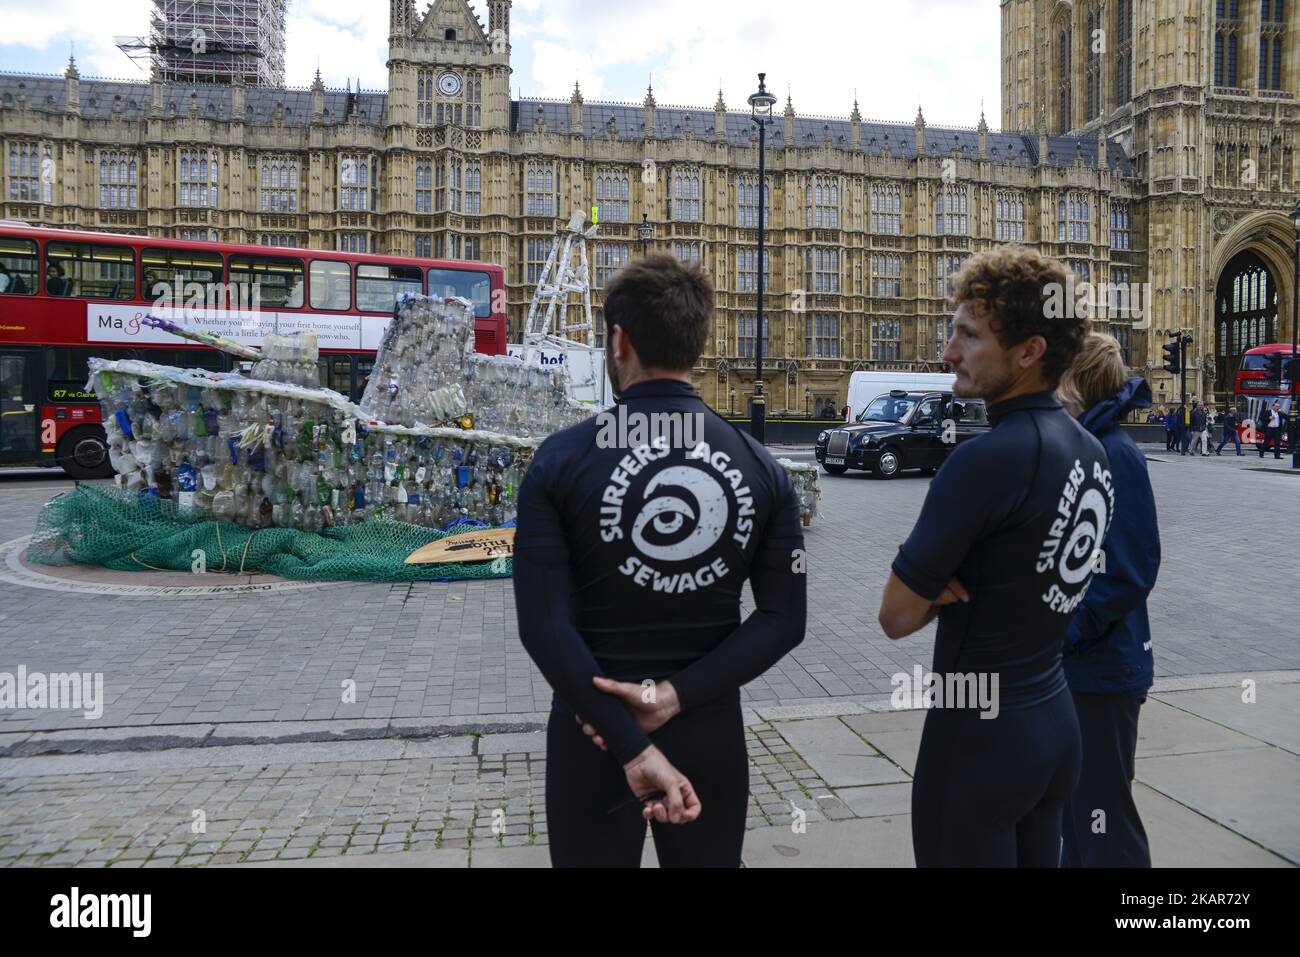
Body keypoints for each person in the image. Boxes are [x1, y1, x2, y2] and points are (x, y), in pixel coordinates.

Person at [512, 253, 807, 868]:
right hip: (708, 728)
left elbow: (544, 625)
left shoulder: (560, 461)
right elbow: (784, 620)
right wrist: (672, 697)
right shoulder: (764, 469)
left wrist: (628, 744)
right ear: (698, 342)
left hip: (591, 732)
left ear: (619, 341)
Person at [878, 246, 1107, 867]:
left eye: (968, 335)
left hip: (979, 740)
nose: (949, 352)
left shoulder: (983, 460)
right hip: (1054, 723)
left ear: (1030, 351)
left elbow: (896, 615)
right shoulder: (1092, 451)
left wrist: (936, 588)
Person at [1056, 335, 1160, 867]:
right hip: (1081, 672)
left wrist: (1063, 632)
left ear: (1076, 382)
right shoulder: (1083, 446)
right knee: (1075, 819)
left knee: (1104, 821)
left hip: (1104, 672)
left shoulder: (1117, 455)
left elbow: (1130, 570)